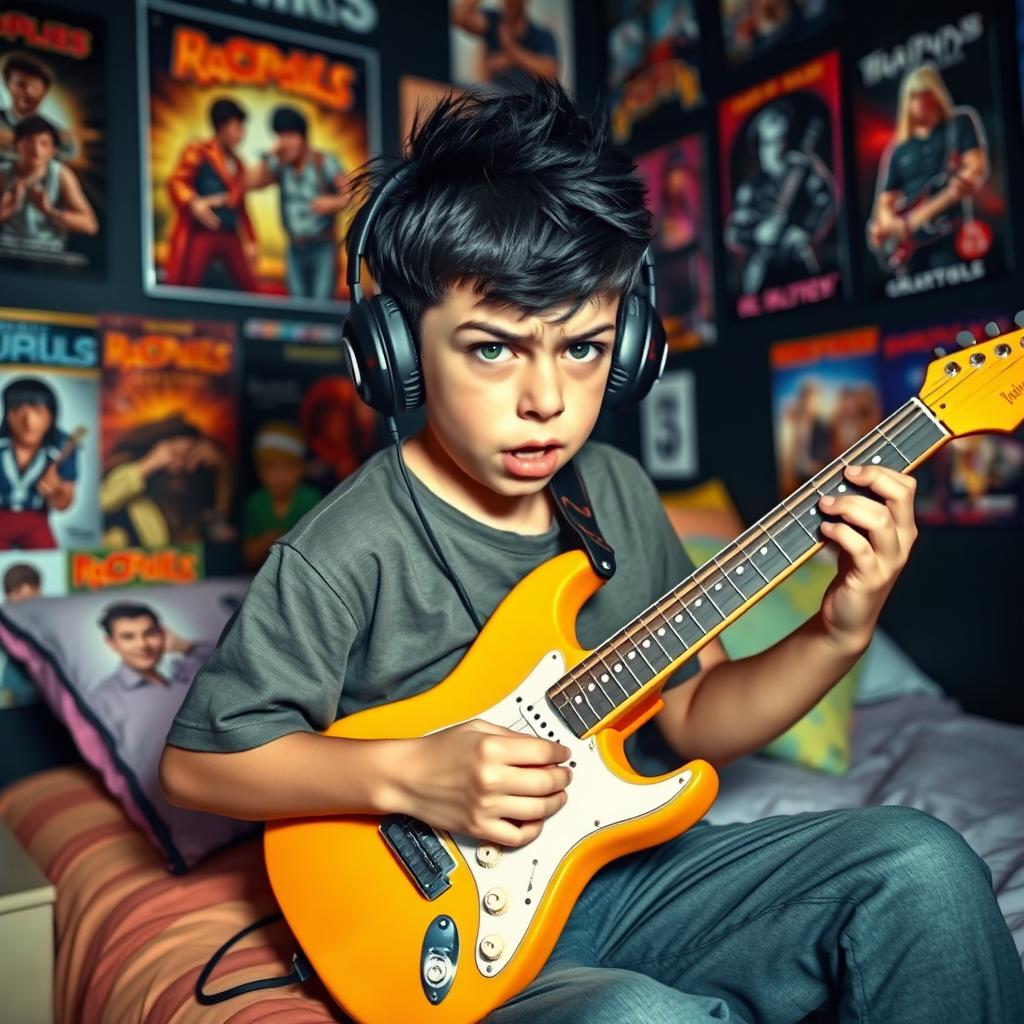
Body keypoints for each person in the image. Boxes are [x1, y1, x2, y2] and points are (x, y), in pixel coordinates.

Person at [158, 83, 1024, 1022]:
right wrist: (412, 775)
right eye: (492, 351)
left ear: (633, 347)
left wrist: (839, 632)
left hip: (621, 878)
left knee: (925, 866)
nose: (547, 399)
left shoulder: (609, 492)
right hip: (448, 933)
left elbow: (694, 714)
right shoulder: (345, 545)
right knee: (634, 1017)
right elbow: (201, 766)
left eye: (582, 349)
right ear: (398, 352)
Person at [867, 63, 988, 275]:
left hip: (949, 233)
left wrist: (961, 184)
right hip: (911, 248)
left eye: (925, 93)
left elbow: (976, 166)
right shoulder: (899, 149)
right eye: (914, 96)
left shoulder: (958, 124)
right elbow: (884, 204)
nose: (920, 101)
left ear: (936, 93)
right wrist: (893, 224)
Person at [245, 105, 351, 301]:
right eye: (281, 136)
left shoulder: (323, 161)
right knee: (298, 308)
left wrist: (332, 202)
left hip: (322, 249)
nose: (285, 143)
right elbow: (250, 183)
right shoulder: (281, 166)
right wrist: (268, 156)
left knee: (321, 307)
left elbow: (349, 193)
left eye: (290, 136)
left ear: (303, 137)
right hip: (294, 249)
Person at [164, 97, 257, 291]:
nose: (242, 134)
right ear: (222, 127)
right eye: (237, 127)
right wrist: (194, 202)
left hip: (230, 234)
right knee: (188, 283)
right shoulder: (199, 151)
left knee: (248, 285)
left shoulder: (239, 164)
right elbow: (176, 182)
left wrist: (251, 240)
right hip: (203, 231)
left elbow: (241, 206)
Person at [0, 115, 97, 258]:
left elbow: (89, 224)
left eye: (44, 143)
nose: (36, 150)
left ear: (54, 150)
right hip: (6, 250)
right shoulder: (3, 173)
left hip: (48, 253)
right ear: (16, 145)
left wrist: (49, 211)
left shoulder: (61, 174)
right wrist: (7, 210)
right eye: (29, 142)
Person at [0, 377, 78, 549]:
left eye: (37, 411)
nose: (28, 423)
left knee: (49, 563)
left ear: (51, 416)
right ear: (7, 415)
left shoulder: (64, 445)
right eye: (17, 411)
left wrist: (56, 492)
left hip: (36, 520)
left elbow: (65, 503)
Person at [241, 421, 323, 569]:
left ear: (301, 467)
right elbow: (247, 556)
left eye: (288, 467)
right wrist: (263, 543)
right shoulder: (255, 503)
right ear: (259, 470)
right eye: (270, 467)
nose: (279, 476)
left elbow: (320, 547)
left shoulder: (311, 499)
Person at [452, 0, 559, 94]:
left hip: (529, 101)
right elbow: (460, 15)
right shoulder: (494, 22)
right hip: (496, 98)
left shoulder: (542, 35)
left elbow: (550, 73)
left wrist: (511, 52)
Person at [0, 52, 75, 160]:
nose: (28, 92)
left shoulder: (57, 133)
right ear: (8, 85)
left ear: (45, 91)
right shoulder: (55, 136)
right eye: (21, 84)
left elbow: (69, 152)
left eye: (35, 87)